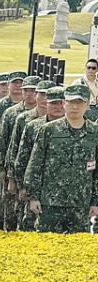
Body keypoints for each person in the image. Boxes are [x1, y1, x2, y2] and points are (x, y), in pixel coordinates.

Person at [25, 84, 98, 233]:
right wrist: (33, 197)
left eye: (79, 103)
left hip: (80, 203)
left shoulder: (94, 132)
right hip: (49, 202)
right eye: (71, 102)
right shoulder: (48, 130)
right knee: (46, 248)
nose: (75, 107)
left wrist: (95, 201)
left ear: (87, 105)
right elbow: (35, 164)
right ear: (64, 104)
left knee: (77, 249)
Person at [0, 75, 42, 230]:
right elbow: (4, 144)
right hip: (13, 171)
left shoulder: (48, 116)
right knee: (11, 216)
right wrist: (4, 172)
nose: (29, 94)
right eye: (26, 90)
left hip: (34, 175)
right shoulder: (11, 113)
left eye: (33, 91)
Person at [14, 85, 64, 231]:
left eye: (61, 102)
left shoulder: (75, 127)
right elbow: (22, 159)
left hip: (64, 193)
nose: (58, 107)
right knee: (30, 230)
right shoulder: (33, 126)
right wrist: (22, 186)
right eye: (53, 103)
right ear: (46, 104)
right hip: (35, 190)